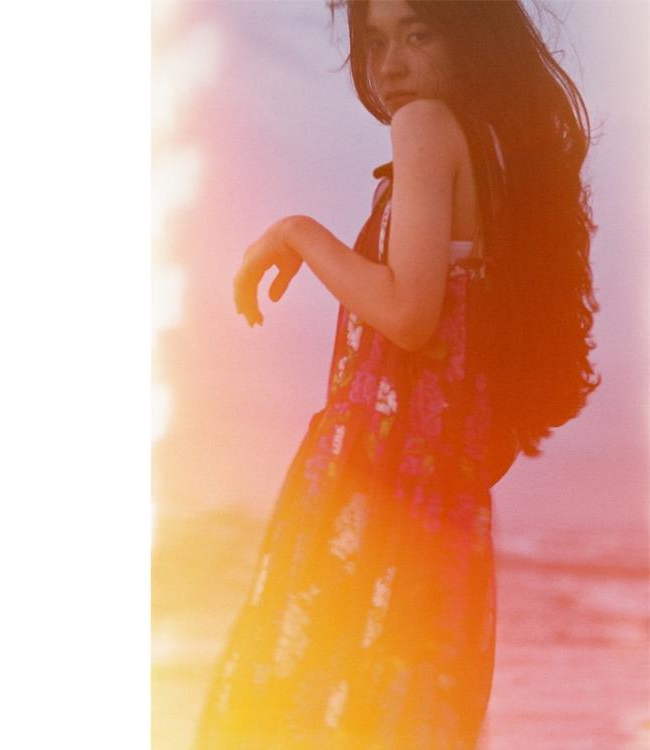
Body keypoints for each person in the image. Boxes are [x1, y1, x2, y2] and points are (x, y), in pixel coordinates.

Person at [191, 1, 599, 748]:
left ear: (472, 36)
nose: (392, 66)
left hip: (372, 492)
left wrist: (297, 232)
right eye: (375, 42)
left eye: (419, 34)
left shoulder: (426, 127)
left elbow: (408, 313)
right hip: (443, 514)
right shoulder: (498, 157)